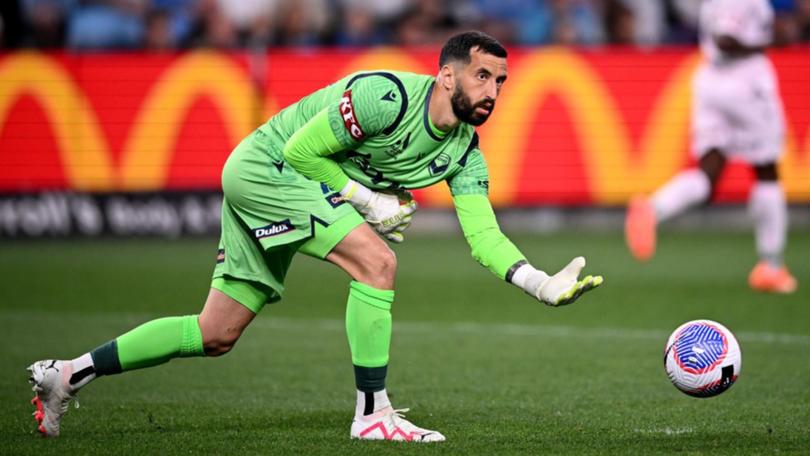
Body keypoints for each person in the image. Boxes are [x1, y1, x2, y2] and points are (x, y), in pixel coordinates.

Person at [28, 31, 603, 442]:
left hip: (290, 188)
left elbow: (483, 235)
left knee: (215, 333)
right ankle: (372, 412)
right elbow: (301, 151)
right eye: (482, 76)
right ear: (446, 75)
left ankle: (68, 373)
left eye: (500, 81)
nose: (493, 91)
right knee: (377, 262)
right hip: (266, 169)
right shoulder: (387, 97)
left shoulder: (465, 154)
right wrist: (367, 200)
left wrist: (538, 284)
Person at [625, 0, 797, 294]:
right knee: (766, 168)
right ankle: (771, 265)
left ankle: (653, 208)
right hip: (746, 83)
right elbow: (726, 39)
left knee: (710, 173)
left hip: (710, 80)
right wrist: (770, 40)